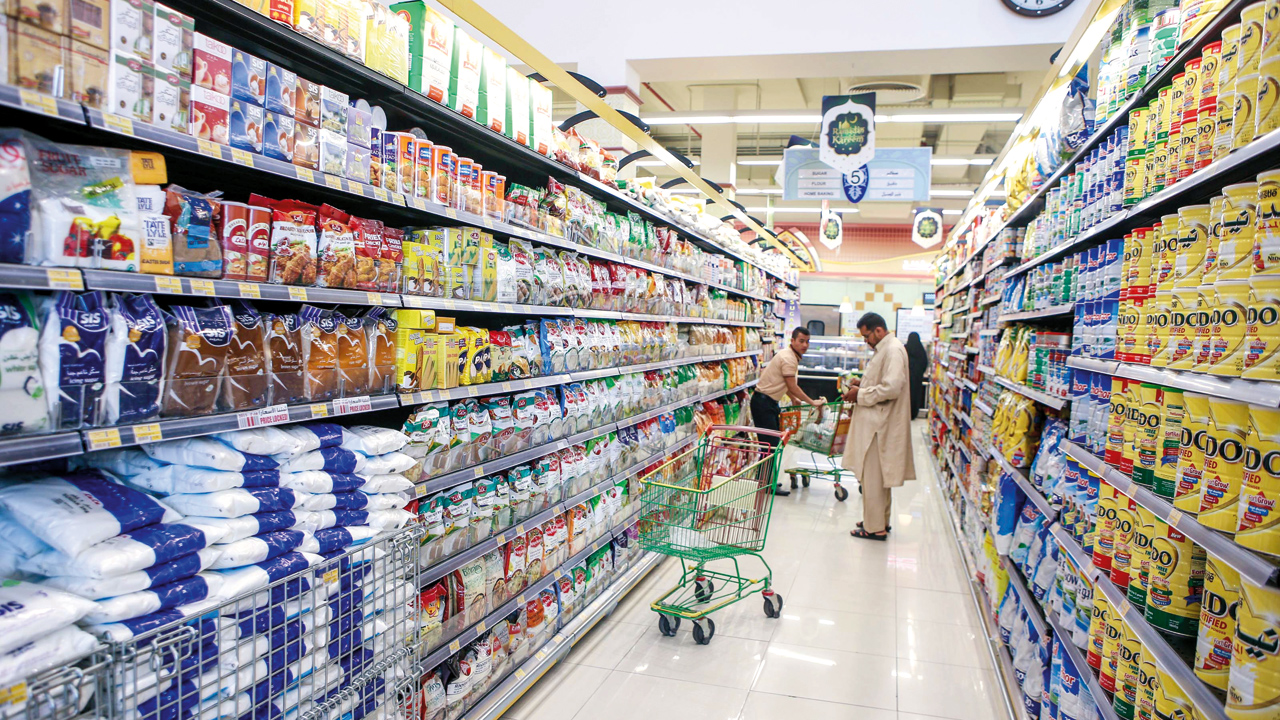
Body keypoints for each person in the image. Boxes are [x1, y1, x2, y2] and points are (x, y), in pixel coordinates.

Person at [842, 312, 915, 539]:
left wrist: (860, 394)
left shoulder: (892, 350)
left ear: (879, 330)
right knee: (879, 478)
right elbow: (882, 381)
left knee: (872, 478)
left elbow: (892, 387)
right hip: (877, 424)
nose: (866, 341)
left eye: (867, 336)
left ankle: (875, 528)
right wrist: (862, 383)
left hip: (879, 426)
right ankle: (879, 520)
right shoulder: (886, 348)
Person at [751, 326, 823, 496]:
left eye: (807, 341)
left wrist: (793, 398)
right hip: (764, 404)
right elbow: (792, 385)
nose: (805, 345)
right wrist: (811, 402)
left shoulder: (789, 355)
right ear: (793, 341)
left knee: (770, 445)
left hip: (767, 402)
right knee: (770, 446)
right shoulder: (789, 358)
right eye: (801, 341)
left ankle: (764, 481)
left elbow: (784, 383)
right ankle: (766, 485)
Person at [905, 331, 929, 419]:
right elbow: (925, 363)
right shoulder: (921, 350)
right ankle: (914, 413)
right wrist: (920, 373)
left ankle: (905, 413)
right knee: (916, 395)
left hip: (906, 377)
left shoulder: (905, 349)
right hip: (917, 378)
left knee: (906, 395)